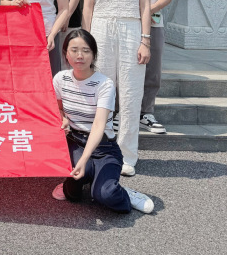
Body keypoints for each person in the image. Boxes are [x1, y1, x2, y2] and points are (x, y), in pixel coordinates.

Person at [82, 0, 156, 177]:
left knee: (130, 93)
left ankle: (127, 155)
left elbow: (145, 5)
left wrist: (145, 40)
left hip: (131, 28)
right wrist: (86, 42)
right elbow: (88, 4)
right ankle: (101, 150)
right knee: (101, 92)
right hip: (101, 28)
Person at [51, 29, 155, 214]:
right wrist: (63, 118)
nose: (80, 55)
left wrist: (83, 159)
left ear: (94, 55)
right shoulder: (60, 79)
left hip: (104, 147)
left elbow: (99, 125)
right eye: (74, 50)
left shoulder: (104, 84)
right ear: (66, 53)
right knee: (72, 193)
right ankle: (86, 177)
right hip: (75, 142)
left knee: (105, 195)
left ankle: (123, 192)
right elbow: (57, 108)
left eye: (86, 50)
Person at [132, 0, 174, 135]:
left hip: (154, 24)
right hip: (127, 22)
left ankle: (146, 112)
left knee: (152, 69)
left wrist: (148, 11)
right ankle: (119, 112)